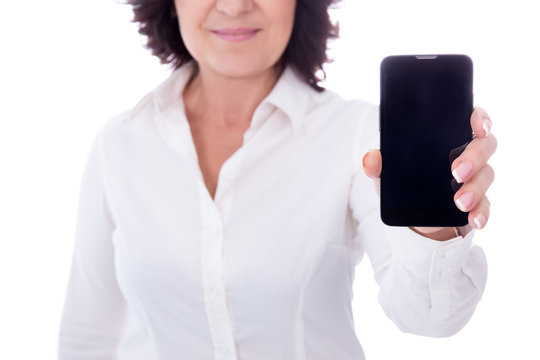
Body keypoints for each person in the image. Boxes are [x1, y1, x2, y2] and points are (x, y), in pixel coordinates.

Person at [58, 0, 497, 359]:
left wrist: (436, 224)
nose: (233, 6)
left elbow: (429, 316)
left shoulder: (355, 137)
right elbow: (87, 338)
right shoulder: (119, 145)